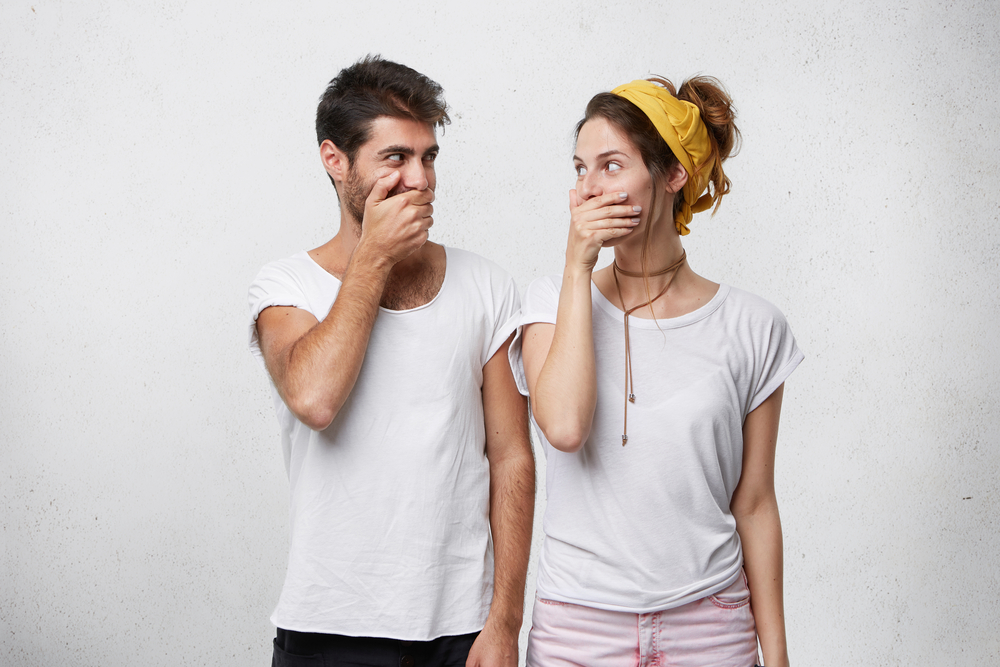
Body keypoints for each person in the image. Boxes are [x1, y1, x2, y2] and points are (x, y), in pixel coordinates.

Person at [248, 55, 534, 667]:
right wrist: (374, 258)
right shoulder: (285, 287)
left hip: (462, 629)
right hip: (330, 624)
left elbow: (511, 457)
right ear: (335, 160)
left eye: (428, 156)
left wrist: (505, 622)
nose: (422, 178)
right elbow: (316, 399)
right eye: (395, 158)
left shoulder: (487, 286)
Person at [513, 76, 802, 667]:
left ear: (673, 176)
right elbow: (564, 427)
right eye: (579, 169)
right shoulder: (549, 306)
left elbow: (754, 503)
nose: (588, 190)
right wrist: (577, 268)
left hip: (712, 626)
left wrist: (777, 656)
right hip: (578, 627)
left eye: (611, 166)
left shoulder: (753, 326)